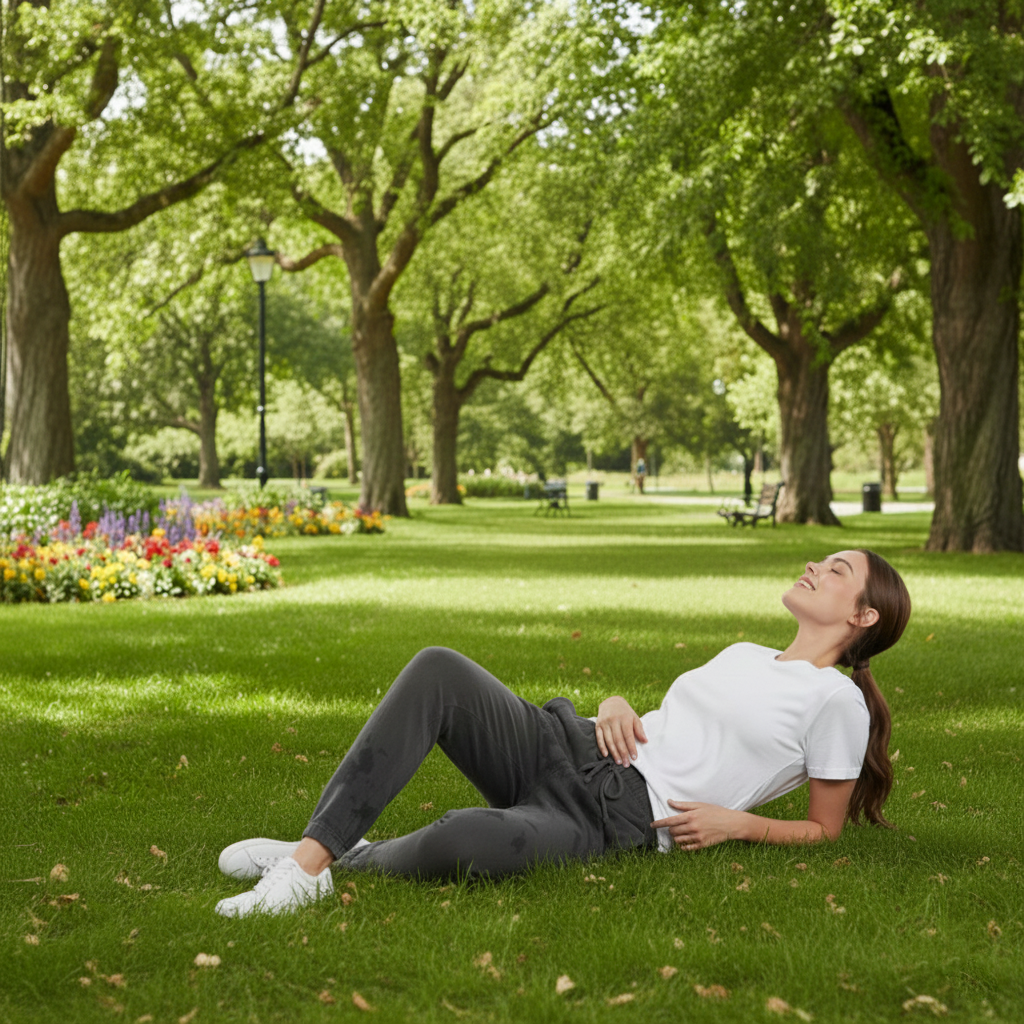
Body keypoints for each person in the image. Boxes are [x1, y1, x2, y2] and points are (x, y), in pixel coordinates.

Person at [214, 549, 910, 917]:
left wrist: (740, 825)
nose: (816, 566)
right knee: (438, 670)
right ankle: (307, 864)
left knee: (469, 842)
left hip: (617, 816)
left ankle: (350, 854)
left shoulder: (835, 703)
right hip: (572, 744)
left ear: (864, 617)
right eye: (824, 560)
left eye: (838, 570)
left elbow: (826, 832)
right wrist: (612, 701)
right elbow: (673, 724)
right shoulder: (746, 655)